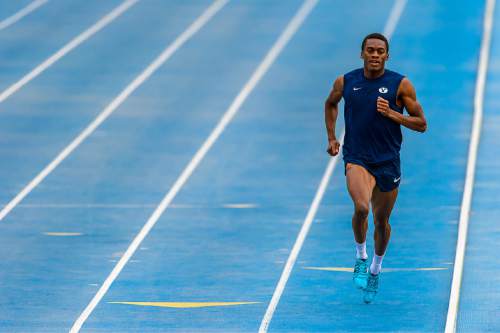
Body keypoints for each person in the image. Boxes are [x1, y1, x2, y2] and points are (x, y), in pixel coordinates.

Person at [324, 33, 427, 303]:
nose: (375, 55)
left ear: (387, 56)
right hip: (357, 156)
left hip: (388, 160)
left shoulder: (400, 85)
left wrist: (392, 113)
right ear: (362, 54)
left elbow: (421, 123)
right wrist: (332, 137)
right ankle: (360, 255)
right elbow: (330, 103)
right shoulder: (346, 81)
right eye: (370, 50)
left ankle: (375, 270)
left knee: (381, 222)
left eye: (380, 51)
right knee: (361, 208)